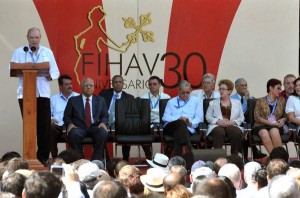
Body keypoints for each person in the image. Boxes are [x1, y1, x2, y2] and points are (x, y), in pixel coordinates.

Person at [10, 27, 60, 166]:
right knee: (29, 126)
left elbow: (55, 71)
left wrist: (51, 75)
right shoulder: (20, 52)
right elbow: (11, 68)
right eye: (32, 37)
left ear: (40, 38)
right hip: (25, 94)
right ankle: (29, 155)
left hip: (43, 94)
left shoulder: (47, 52)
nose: (34, 40)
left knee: (44, 127)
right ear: (27, 38)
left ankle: (42, 157)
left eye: (37, 38)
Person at [99, 75, 146, 161]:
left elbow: (129, 116)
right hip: (106, 122)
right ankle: (107, 160)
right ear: (112, 84)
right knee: (100, 134)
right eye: (115, 82)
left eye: (120, 82)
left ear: (123, 84)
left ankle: (125, 159)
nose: (118, 84)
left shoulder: (129, 97)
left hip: (121, 124)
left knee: (127, 130)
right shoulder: (104, 94)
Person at [64, 77, 108, 160]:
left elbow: (105, 115)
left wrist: (103, 123)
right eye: (86, 85)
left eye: (91, 85)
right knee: (73, 133)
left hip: (95, 127)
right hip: (79, 128)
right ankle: (80, 160)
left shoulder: (100, 100)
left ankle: (95, 161)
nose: (88, 87)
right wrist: (70, 124)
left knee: (103, 133)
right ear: (81, 86)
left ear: (94, 87)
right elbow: (66, 116)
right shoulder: (73, 100)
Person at [162, 80, 203, 156]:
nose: (185, 95)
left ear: (190, 90)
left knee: (179, 132)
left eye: (187, 92)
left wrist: (190, 123)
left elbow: (199, 117)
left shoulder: (196, 101)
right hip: (171, 127)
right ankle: (189, 146)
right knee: (180, 123)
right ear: (178, 90)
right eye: (183, 92)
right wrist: (178, 119)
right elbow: (165, 117)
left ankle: (176, 158)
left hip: (188, 128)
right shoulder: (171, 102)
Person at [231, 78, 267, 160]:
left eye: (246, 85)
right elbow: (238, 112)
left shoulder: (251, 98)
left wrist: (249, 100)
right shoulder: (232, 99)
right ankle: (251, 153)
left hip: (249, 123)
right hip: (237, 122)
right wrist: (247, 102)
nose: (244, 87)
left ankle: (249, 155)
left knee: (248, 130)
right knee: (245, 133)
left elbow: (254, 113)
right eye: (242, 85)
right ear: (236, 87)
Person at [206, 79, 244, 155]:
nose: (221, 91)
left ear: (229, 91)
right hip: (218, 125)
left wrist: (233, 122)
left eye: (223, 89)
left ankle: (234, 156)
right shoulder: (213, 103)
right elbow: (208, 117)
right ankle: (218, 157)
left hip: (231, 125)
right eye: (220, 89)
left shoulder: (237, 102)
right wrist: (218, 121)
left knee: (236, 132)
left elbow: (241, 118)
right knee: (218, 132)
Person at [252, 78, 287, 154]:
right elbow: (257, 117)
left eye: (280, 88)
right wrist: (270, 123)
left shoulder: (282, 101)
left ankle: (280, 157)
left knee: (274, 131)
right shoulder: (260, 100)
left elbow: (286, 115)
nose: (280, 90)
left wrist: (283, 120)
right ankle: (275, 157)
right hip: (260, 125)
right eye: (278, 88)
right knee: (264, 133)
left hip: (275, 125)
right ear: (270, 88)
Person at [50, 74, 79, 158]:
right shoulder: (53, 99)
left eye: (70, 84)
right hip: (59, 125)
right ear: (61, 87)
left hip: (73, 124)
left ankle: (75, 157)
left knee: (75, 131)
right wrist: (51, 118)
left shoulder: (78, 97)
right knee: (50, 128)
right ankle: (55, 157)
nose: (70, 86)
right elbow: (48, 113)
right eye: (67, 84)